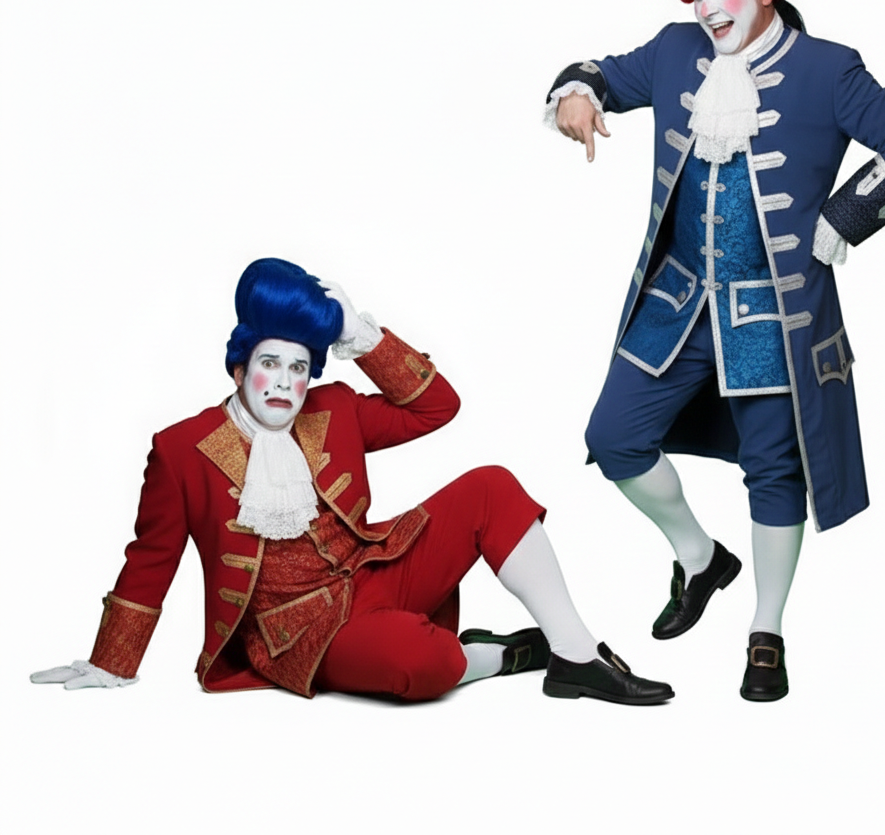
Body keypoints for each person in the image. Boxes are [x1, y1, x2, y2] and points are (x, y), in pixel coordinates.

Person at [545, 0, 885, 701]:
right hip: (676, 302)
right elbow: (598, 75)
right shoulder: (674, 52)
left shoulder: (828, 70)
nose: (704, 9)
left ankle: (767, 629)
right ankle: (699, 558)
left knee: (774, 469)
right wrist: (577, 97)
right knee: (613, 436)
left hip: (773, 312)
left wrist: (846, 217)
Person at [31, 258, 672, 705]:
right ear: (240, 369)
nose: (285, 383)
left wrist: (358, 334)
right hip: (296, 632)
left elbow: (437, 407)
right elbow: (150, 559)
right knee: (424, 664)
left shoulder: (334, 408)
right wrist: (111, 662)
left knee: (492, 486)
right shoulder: (182, 449)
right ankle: (502, 657)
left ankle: (575, 655)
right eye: (270, 364)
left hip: (374, 572)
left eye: (299, 368)